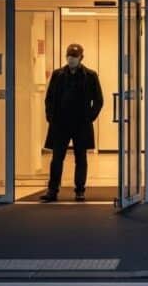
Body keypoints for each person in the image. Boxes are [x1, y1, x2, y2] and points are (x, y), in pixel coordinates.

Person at [41, 43, 104, 203]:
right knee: (57, 158)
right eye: (69, 56)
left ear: (81, 58)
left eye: (74, 57)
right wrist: (50, 117)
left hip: (81, 124)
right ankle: (52, 190)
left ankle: (80, 190)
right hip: (60, 124)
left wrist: (89, 117)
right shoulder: (57, 75)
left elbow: (98, 100)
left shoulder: (90, 75)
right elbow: (49, 98)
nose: (71, 59)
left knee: (81, 158)